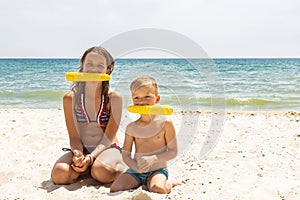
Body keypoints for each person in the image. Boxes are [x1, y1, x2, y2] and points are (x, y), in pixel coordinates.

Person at [51, 46, 126, 185]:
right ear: (82, 67)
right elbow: (74, 136)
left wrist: (91, 158)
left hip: (107, 147)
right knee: (59, 174)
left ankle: (120, 166)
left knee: (102, 171)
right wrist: (78, 154)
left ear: (108, 70)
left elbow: (108, 138)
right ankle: (88, 167)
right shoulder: (70, 98)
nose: (94, 69)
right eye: (89, 64)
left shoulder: (114, 98)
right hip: (82, 147)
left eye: (100, 65)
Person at [110, 76, 178, 194]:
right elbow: (126, 155)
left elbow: (173, 151)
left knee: (158, 189)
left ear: (157, 99)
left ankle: (169, 184)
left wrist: (154, 158)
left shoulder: (166, 123)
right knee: (115, 188)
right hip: (136, 170)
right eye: (136, 98)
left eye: (147, 97)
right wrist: (135, 167)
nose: (141, 102)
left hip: (157, 170)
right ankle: (142, 181)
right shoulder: (132, 127)